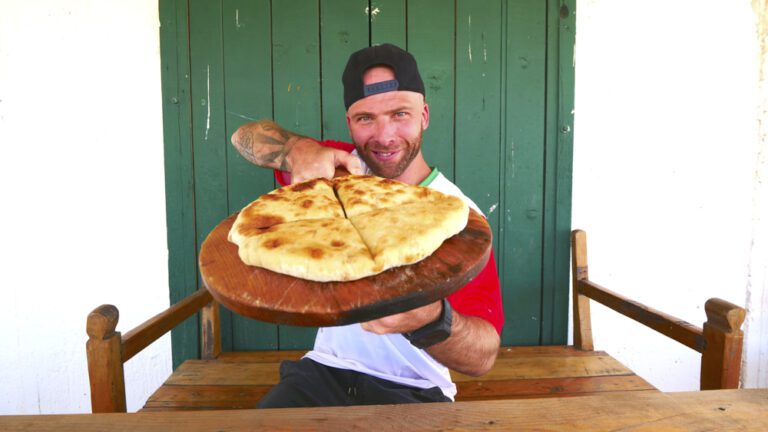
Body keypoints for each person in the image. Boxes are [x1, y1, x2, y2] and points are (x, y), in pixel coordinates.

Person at [231, 43, 504, 407]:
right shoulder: (336, 169)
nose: (385, 136)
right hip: (321, 371)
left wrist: (430, 320)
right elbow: (243, 137)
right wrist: (296, 149)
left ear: (424, 115)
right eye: (366, 119)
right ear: (350, 123)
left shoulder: (460, 218)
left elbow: (484, 355)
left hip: (413, 388)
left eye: (400, 114)